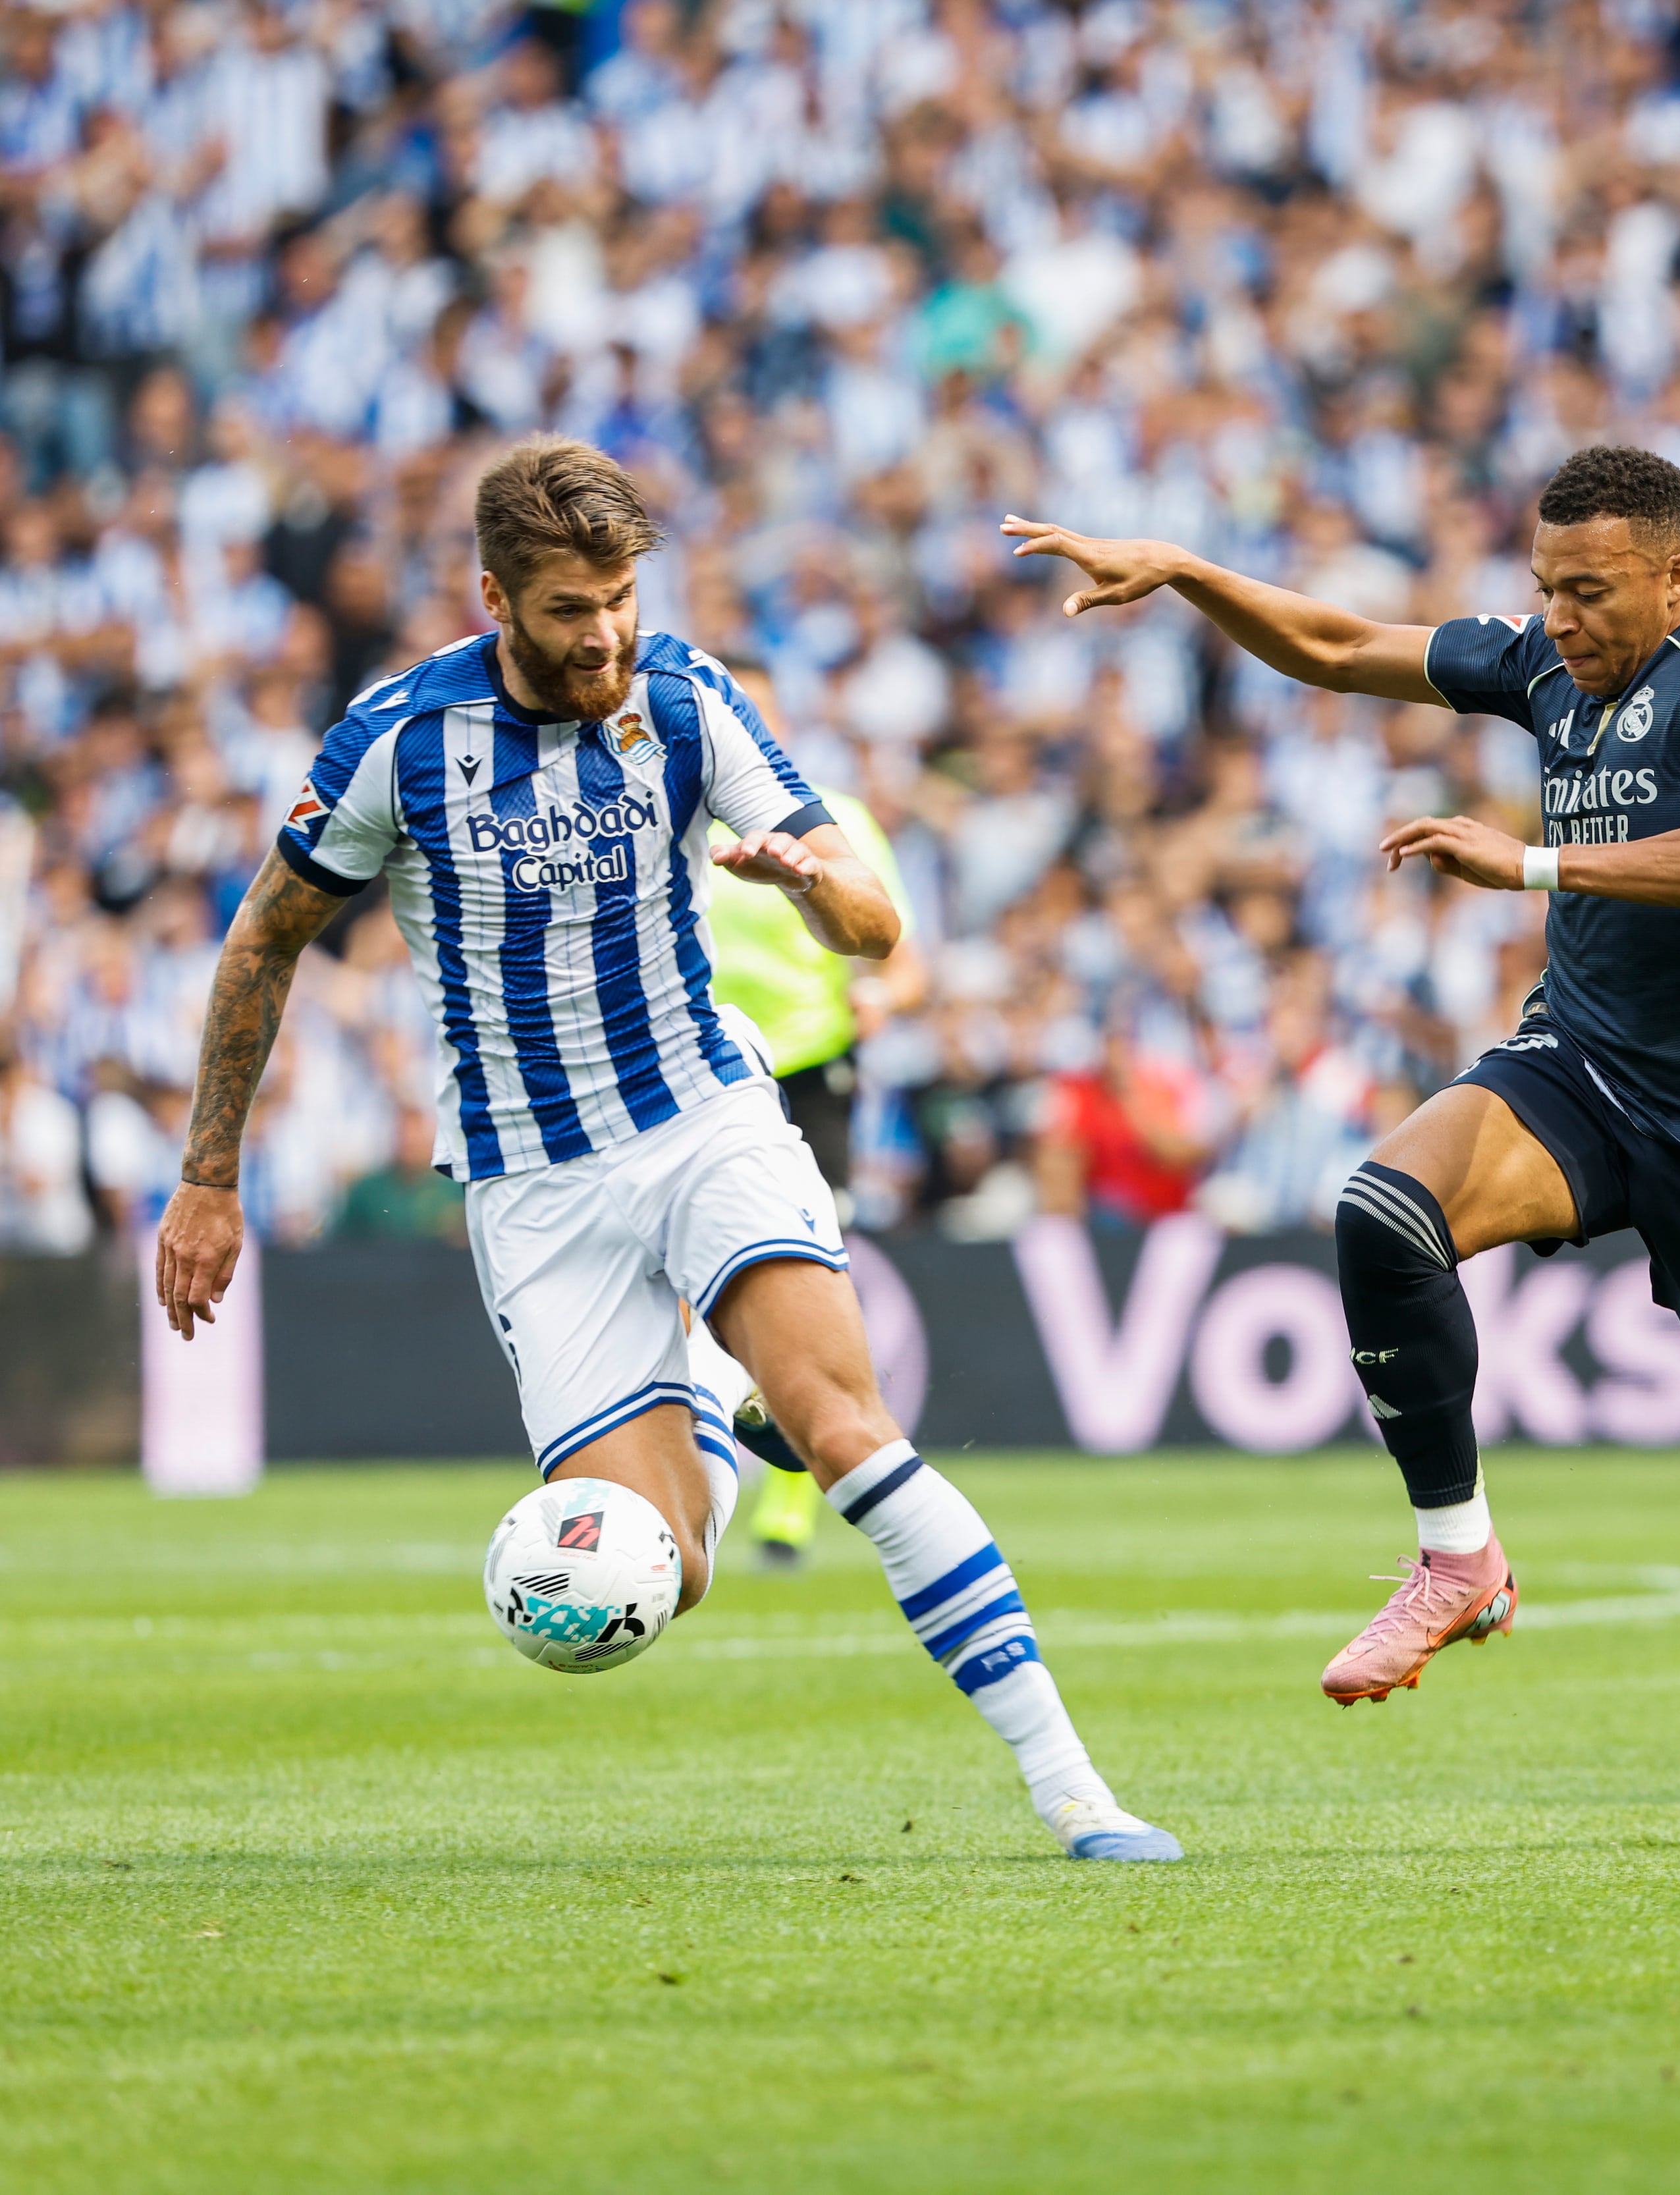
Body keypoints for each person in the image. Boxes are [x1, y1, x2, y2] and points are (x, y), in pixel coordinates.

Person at [153, 437, 1177, 1863]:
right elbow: (264, 936)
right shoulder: (397, 741)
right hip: (535, 1183)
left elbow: (878, 923)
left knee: (848, 1436)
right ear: (496, 597)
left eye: (623, 595)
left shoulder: (689, 699)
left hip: (702, 1112)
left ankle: (1076, 1789)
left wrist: (820, 889)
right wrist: (208, 1175)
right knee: (656, 1578)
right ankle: (705, 1388)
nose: (607, 633)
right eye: (572, 607)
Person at [1002, 446, 1680, 1709]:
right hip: (1582, 1064)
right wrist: (1191, 571)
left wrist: (1531, 866)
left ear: (1678, 575)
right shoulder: (1543, 663)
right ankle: (1458, 1554)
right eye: (1546, 586)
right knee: (1383, 1212)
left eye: (1589, 589)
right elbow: (1337, 643)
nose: (1559, 618)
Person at [691, 657, 926, 1569]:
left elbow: (901, 959)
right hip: (702, 1067)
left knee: (811, 1263)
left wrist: (883, 1000)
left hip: (812, 1066)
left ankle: (789, 1494)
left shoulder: (835, 821)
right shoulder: (667, 820)